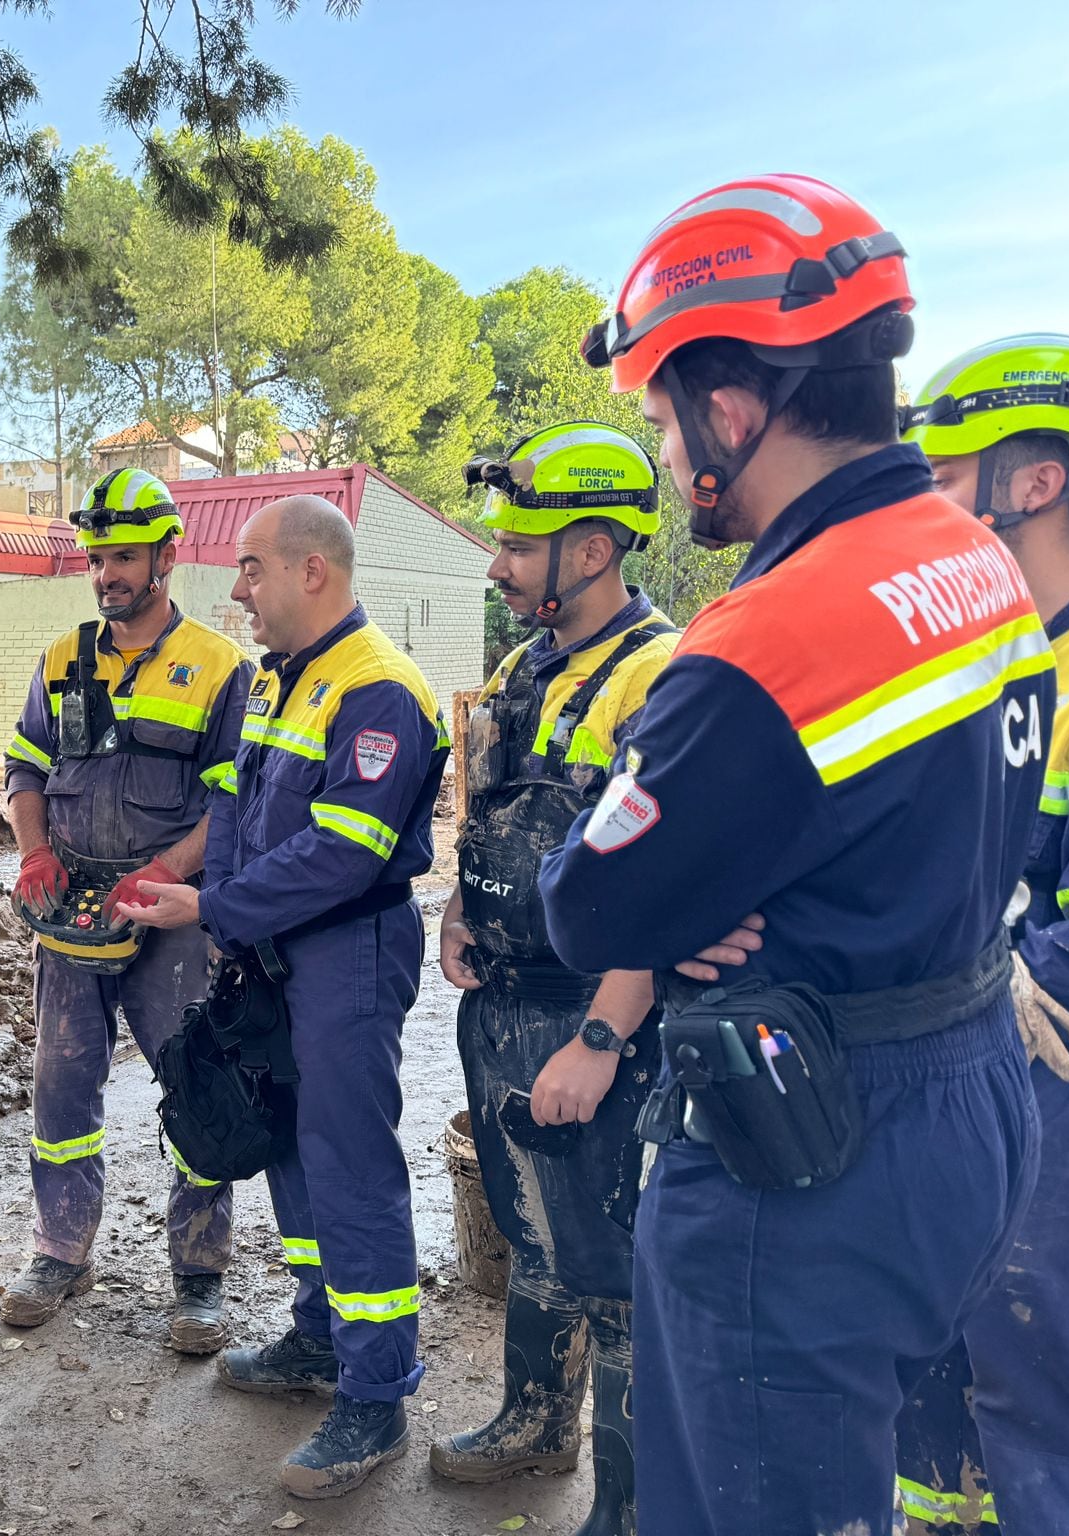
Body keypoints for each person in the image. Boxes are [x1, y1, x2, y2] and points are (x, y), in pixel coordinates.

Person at [543, 175, 1048, 1535]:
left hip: (810, 1149)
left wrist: (694, 878)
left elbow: (591, 904)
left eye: (658, 417)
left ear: (731, 409)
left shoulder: (764, 640)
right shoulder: (974, 557)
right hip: (964, 1100)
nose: (661, 456)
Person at [123, 494, 449, 1499]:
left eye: (252, 569)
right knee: (287, 1146)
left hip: (346, 949)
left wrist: (211, 905)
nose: (236, 589)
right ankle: (318, 1331)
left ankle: (374, 1391)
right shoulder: (279, 680)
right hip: (272, 949)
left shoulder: (379, 689)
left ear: (312, 571)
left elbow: (340, 855)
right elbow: (235, 804)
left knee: (348, 1162)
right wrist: (225, 916)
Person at [433, 423, 676, 1536]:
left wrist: (603, 1036)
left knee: (615, 1261)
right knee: (532, 1234)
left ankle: (625, 1503)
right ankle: (535, 1420)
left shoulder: (660, 676)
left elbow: (669, 881)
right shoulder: (522, 665)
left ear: (589, 550)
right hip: (502, 1003)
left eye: (517, 545)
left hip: (587, 1019)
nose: (496, 562)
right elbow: (484, 809)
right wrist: (455, 908)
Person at [0, 467, 252, 1351]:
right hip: (72, 910)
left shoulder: (221, 667)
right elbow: (24, 770)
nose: (105, 573)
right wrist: (34, 849)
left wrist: (162, 876)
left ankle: (199, 1273)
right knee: (63, 1083)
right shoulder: (64, 658)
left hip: (170, 913)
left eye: (122, 557)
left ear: (167, 556)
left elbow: (236, 806)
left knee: (193, 1082)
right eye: (96, 557)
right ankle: (60, 1249)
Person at [891, 334, 1069, 1532]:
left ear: (1034, 480)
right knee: (932, 1338)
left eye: (943, 480)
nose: (924, 511)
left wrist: (1015, 968)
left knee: (1031, 1356)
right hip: (958, 1060)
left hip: (1042, 1062)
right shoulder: (992, 663)